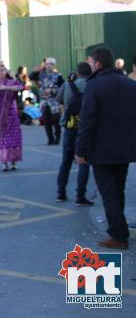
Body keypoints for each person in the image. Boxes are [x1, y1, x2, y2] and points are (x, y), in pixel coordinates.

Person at [76, 47, 136, 250]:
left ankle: (118, 236)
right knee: (117, 190)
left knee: (109, 193)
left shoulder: (94, 86)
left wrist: (80, 151)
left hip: (102, 151)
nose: (90, 66)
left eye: (91, 63)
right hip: (125, 149)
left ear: (98, 64)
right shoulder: (129, 84)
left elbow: (87, 122)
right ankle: (120, 230)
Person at [55, 62, 93, 205]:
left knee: (66, 160)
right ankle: (80, 196)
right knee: (83, 161)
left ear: (77, 73)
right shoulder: (92, 85)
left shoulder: (67, 85)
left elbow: (58, 100)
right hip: (85, 128)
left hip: (70, 127)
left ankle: (61, 193)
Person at [30, 57, 64, 145]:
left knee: (56, 120)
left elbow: (62, 88)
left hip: (54, 101)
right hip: (44, 101)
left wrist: (53, 91)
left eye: (51, 64)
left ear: (54, 65)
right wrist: (35, 70)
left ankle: (58, 137)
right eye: (48, 64)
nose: (49, 65)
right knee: (46, 121)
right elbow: (31, 77)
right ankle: (50, 138)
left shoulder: (58, 75)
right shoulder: (41, 74)